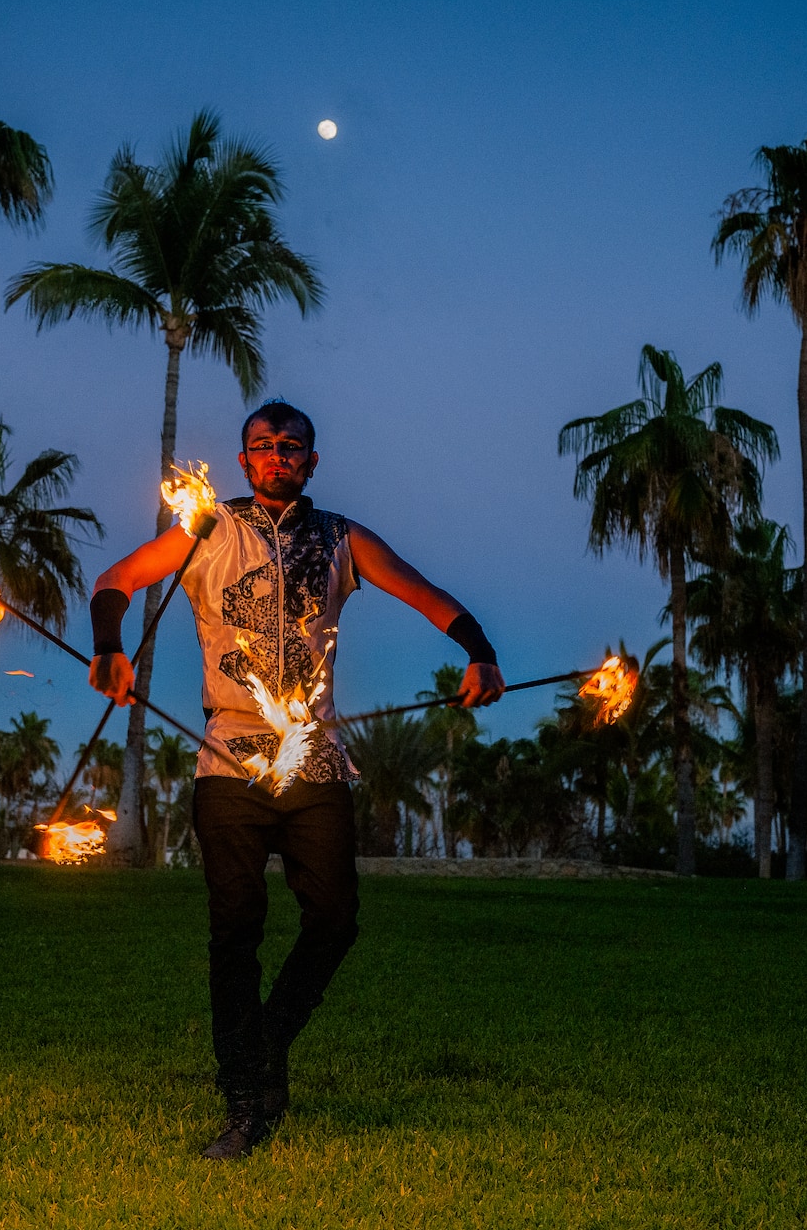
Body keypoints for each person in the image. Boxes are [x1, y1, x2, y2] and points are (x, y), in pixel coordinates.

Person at [89, 400, 505, 1160]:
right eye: (262, 445)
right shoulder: (207, 527)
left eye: (290, 446)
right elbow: (116, 580)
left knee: (336, 919)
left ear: (312, 461)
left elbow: (425, 594)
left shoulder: (342, 538)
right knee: (235, 930)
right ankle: (246, 1102)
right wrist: (110, 647)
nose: (276, 455)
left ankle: (266, 1042)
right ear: (243, 460)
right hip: (228, 758)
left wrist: (480, 653)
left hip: (314, 757)